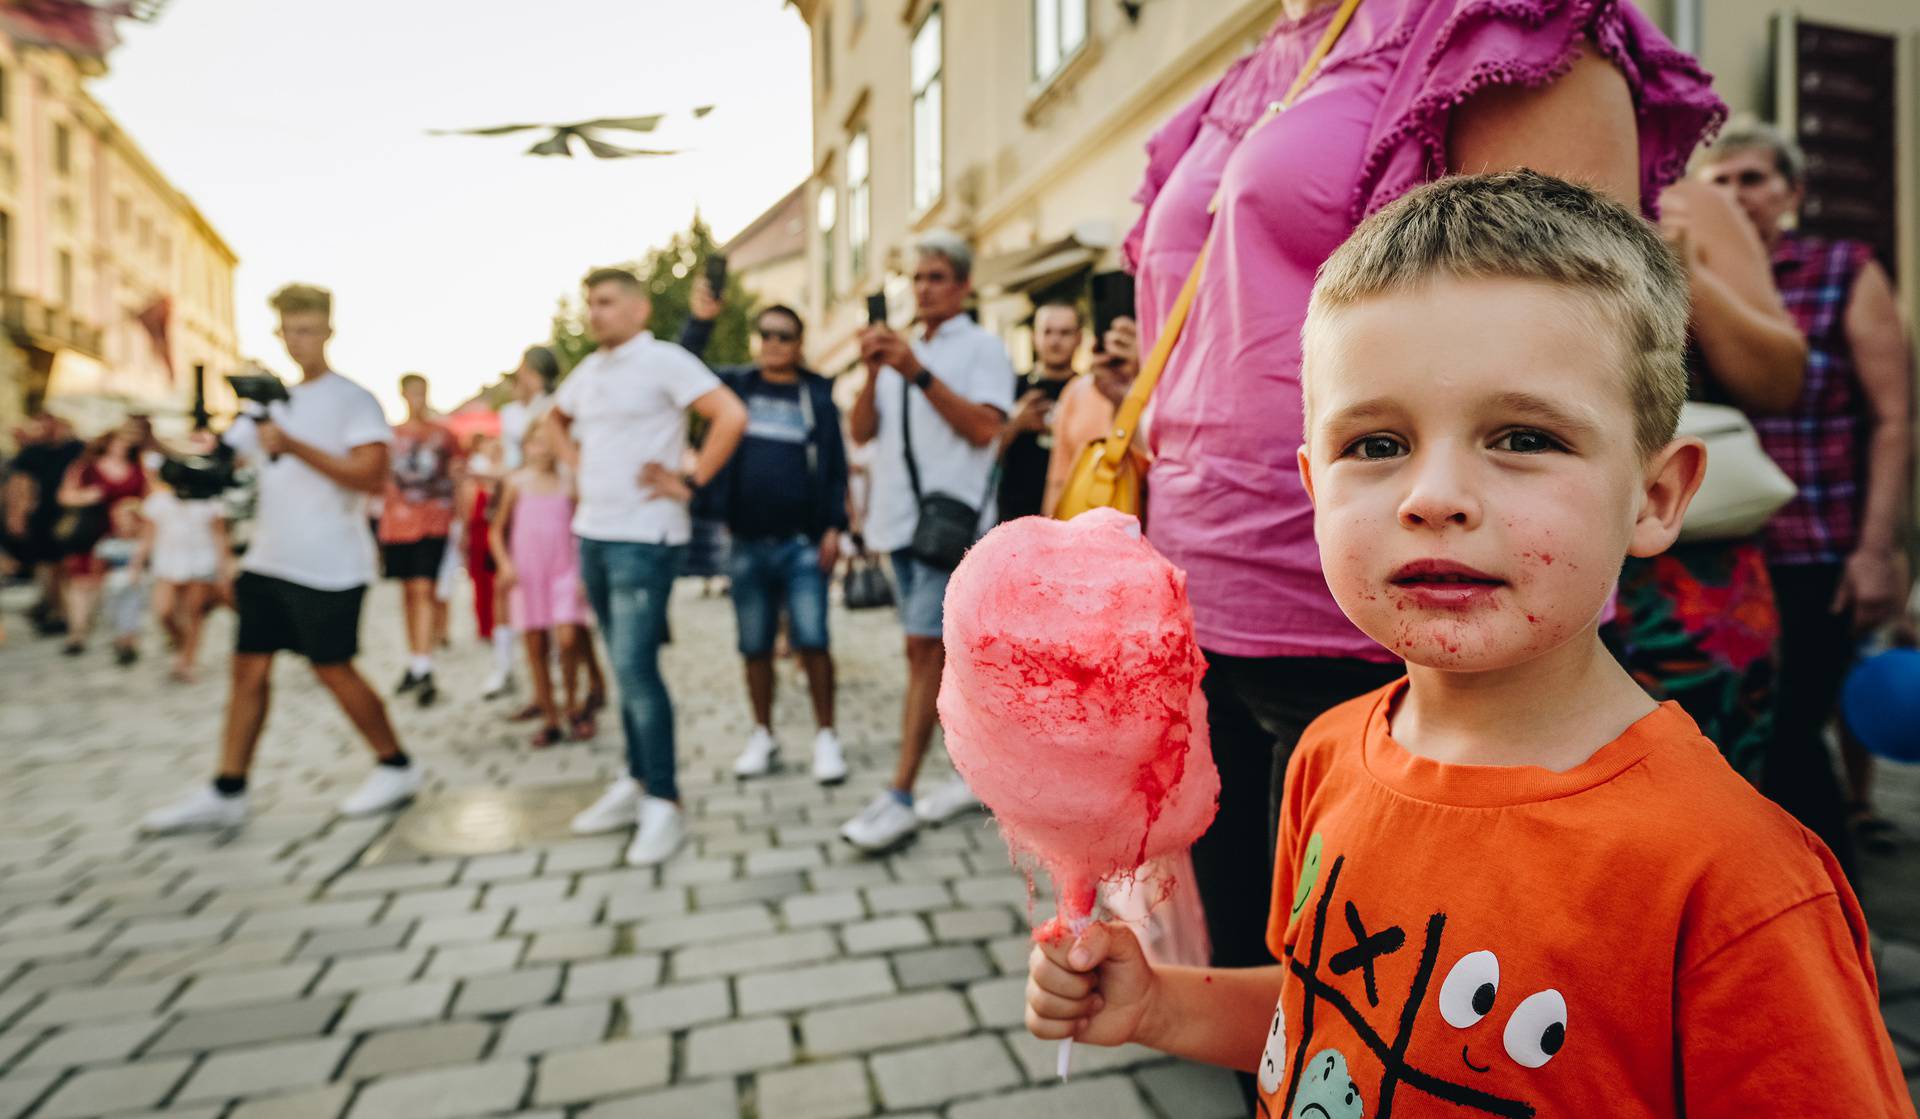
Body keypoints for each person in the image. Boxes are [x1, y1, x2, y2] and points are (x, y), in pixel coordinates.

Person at [1025, 170, 1915, 1117]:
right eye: (1374, 444)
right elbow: (1332, 1021)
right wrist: (1162, 1005)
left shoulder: (1733, 882)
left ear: (1656, 496)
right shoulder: (1324, 758)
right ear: (1313, 486)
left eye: (1523, 436)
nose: (1432, 495)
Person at [1107, 0, 1722, 986]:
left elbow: (1573, 341)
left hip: (1381, 631)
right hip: (1199, 589)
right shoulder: (1254, 64)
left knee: (1446, 984)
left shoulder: (1492, 23)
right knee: (1294, 989)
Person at [1699, 121, 1915, 857]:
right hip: (1710, 553)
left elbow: (1891, 417)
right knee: (1723, 744)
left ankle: (1836, 925)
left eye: (1753, 179)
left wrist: (1877, 549)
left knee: (1790, 736)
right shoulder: (1685, 270)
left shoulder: (1842, 269)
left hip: (1811, 548)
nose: (1734, 195)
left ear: (1792, 191)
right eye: (1719, 181)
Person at [142, 282, 419, 834]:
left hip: (331, 561)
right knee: (247, 670)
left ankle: (396, 766)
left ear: (329, 331)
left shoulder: (352, 399)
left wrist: (293, 446)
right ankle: (228, 788)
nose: (300, 341)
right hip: (269, 557)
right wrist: (163, 448)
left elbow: (373, 476)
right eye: (291, 331)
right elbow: (216, 463)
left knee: (333, 668)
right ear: (279, 333)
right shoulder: (262, 407)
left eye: (310, 330)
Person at [546, 266, 747, 866]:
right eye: (590, 303)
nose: (595, 314)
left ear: (638, 309)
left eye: (606, 302)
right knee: (619, 662)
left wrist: (690, 478)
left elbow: (730, 415)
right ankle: (635, 783)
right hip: (595, 534)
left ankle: (664, 799)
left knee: (636, 667)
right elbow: (552, 419)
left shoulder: (662, 359)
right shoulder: (590, 370)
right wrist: (577, 465)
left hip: (646, 537)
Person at [840, 232, 1016, 852]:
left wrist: (917, 372)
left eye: (937, 277)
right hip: (899, 524)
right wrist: (875, 373)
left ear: (963, 286)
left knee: (923, 655)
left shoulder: (982, 349)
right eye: (917, 278)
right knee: (952, 660)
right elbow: (860, 433)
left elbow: (986, 428)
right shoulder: (899, 354)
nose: (923, 288)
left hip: (949, 527)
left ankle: (900, 793)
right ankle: (981, 777)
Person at [681, 293, 851, 785]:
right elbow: (682, 367)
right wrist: (702, 320)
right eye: (767, 334)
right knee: (754, 645)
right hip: (747, 541)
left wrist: (836, 526)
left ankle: (826, 737)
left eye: (785, 336)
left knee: (814, 640)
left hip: (803, 542)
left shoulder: (816, 396)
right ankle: (763, 734)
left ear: (799, 344)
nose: (774, 343)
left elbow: (835, 468)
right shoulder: (735, 386)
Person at [491, 425, 596, 746]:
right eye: (536, 442)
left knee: (567, 639)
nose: (543, 449)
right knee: (536, 645)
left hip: (564, 570)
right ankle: (549, 714)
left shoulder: (569, 482)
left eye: (549, 442)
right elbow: (496, 531)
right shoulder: (515, 483)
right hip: (528, 572)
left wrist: (583, 573)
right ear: (525, 446)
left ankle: (573, 705)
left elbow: (583, 527)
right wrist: (506, 565)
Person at [379, 373, 460, 706]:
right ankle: (416, 660)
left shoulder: (443, 435)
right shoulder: (390, 436)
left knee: (425, 588)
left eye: (421, 392)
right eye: (411, 393)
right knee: (409, 592)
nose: (417, 398)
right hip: (398, 523)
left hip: (433, 521)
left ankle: (425, 663)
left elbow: (457, 475)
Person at [56, 422, 149, 656]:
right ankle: (78, 631)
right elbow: (65, 495)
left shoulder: (138, 468)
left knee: (125, 586)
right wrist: (87, 497)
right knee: (82, 582)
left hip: (124, 534)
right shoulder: (86, 468)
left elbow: (148, 498)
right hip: (92, 529)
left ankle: (125, 637)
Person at [143, 443, 232, 682]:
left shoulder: (209, 504)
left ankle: (186, 661)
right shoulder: (159, 502)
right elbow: (148, 536)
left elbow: (220, 537)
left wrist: (224, 570)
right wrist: (137, 562)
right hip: (168, 563)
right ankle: (179, 641)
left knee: (193, 614)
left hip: (200, 562)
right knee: (164, 611)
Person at [997, 302, 1081, 522]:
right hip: (1016, 519)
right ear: (1034, 337)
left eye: (1065, 332)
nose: (1055, 341)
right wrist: (1016, 423)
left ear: (1079, 337)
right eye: (1047, 332)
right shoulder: (1011, 387)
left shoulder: (1090, 392)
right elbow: (984, 454)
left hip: (1071, 517)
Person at [4, 412, 84, 635]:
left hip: (67, 515)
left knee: (65, 566)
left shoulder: (75, 448)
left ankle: (64, 612)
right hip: (41, 516)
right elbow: (19, 484)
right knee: (47, 565)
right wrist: (16, 514)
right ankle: (55, 609)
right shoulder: (31, 453)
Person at [93, 496, 149, 666]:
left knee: (130, 612)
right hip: (113, 586)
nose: (122, 523)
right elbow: (98, 565)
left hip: (135, 585)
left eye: (127, 518)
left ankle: (128, 644)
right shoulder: (108, 542)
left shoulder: (143, 542)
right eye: (118, 518)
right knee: (114, 614)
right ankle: (121, 641)